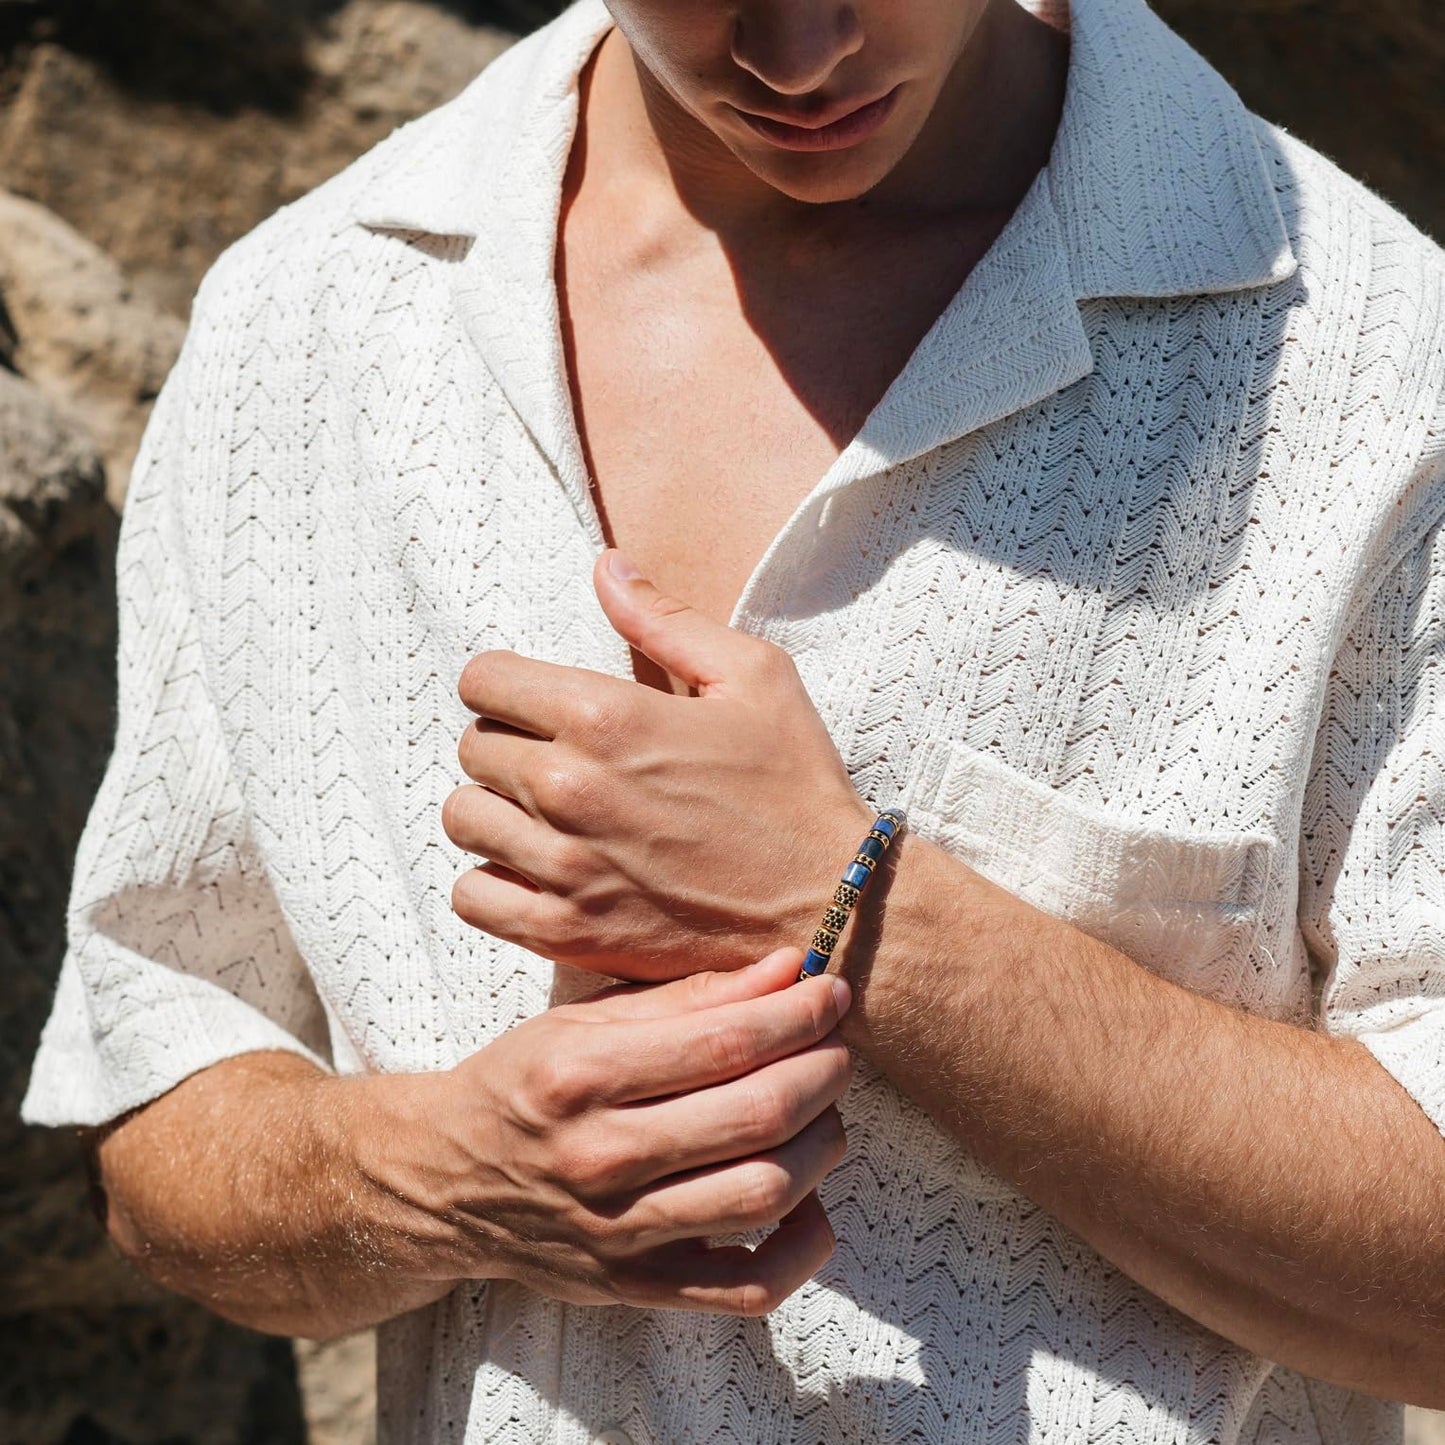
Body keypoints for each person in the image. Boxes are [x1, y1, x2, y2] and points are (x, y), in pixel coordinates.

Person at [21, 0, 1445, 1439]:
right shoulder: (311, 326)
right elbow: (154, 1135)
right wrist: (450, 1180)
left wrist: (848, 905)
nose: (798, 53)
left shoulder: (1371, 373)